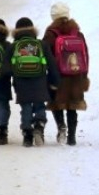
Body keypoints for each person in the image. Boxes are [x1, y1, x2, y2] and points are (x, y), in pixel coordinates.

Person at [7, 17, 60, 147]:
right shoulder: (41, 44)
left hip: (21, 83)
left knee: (25, 107)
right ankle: (39, 126)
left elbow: (5, 68)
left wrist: (11, 78)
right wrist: (55, 81)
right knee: (40, 105)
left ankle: (27, 134)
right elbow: (52, 65)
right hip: (40, 82)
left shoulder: (14, 46)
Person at [43, 2, 90, 146]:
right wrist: (84, 76)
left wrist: (48, 74)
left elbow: (45, 55)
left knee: (56, 103)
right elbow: (85, 56)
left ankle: (61, 126)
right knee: (72, 105)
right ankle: (72, 137)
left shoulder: (51, 34)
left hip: (58, 76)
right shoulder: (77, 33)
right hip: (76, 76)